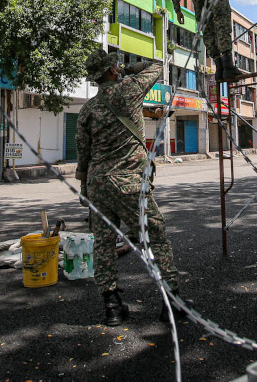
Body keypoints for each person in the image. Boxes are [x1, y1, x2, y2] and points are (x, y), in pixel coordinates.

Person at [75, 49, 185, 326]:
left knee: (102, 244)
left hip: (97, 184)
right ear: (112, 70)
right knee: (155, 237)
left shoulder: (88, 109)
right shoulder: (128, 90)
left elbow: (83, 154)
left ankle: (112, 306)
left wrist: (85, 189)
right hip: (129, 182)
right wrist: (126, 69)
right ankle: (172, 303)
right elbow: (157, 67)